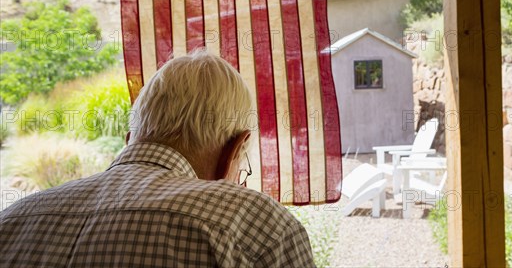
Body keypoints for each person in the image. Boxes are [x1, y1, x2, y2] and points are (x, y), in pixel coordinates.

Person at [0, 50, 315, 267]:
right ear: (233, 150)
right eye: (242, 170)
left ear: (130, 140)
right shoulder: (252, 225)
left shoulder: (13, 221)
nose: (239, 182)